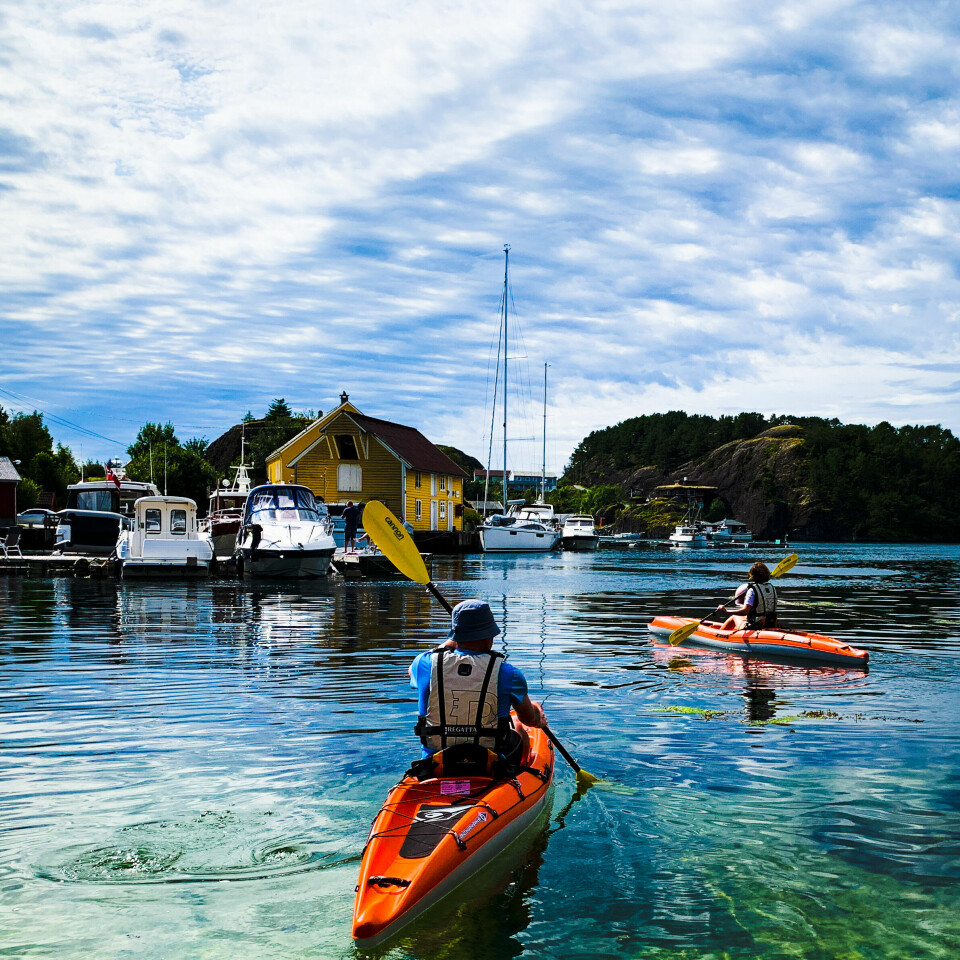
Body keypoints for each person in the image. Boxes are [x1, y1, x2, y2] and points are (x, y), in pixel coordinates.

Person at [409, 599, 545, 773]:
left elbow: (411, 670)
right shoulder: (509, 673)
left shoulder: (423, 665)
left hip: (435, 766)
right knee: (517, 723)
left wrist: (452, 640)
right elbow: (528, 719)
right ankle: (521, 772)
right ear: (490, 635)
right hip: (490, 766)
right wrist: (538, 717)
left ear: (454, 636)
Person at [719, 561, 778, 628]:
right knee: (743, 617)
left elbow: (745, 611)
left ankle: (720, 633)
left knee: (734, 617)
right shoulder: (772, 588)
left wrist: (726, 611)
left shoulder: (752, 590)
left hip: (755, 625)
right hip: (771, 623)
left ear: (752, 575)